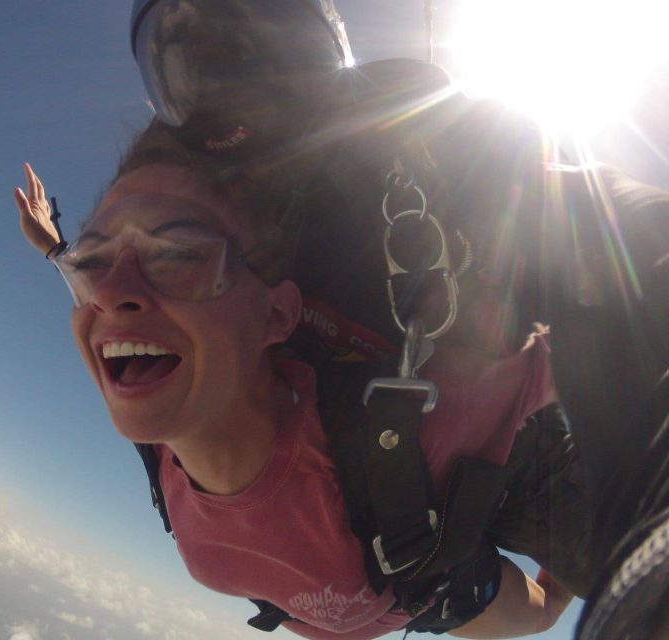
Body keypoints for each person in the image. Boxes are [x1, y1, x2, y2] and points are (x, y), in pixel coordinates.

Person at [126, 2, 669, 638]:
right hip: (381, 508)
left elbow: (597, 216)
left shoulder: (425, 150)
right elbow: (123, 294)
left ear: (323, 54)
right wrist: (64, 253)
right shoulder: (191, 205)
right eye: (197, 68)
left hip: (511, 448)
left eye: (262, 57)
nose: (234, 99)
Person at [13, 125, 576, 639]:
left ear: (277, 316)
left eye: (179, 255)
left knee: (565, 594)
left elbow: (577, 352)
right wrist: (55, 248)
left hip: (437, 558)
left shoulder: (407, 436)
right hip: (406, 579)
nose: (110, 293)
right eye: (94, 260)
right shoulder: (166, 387)